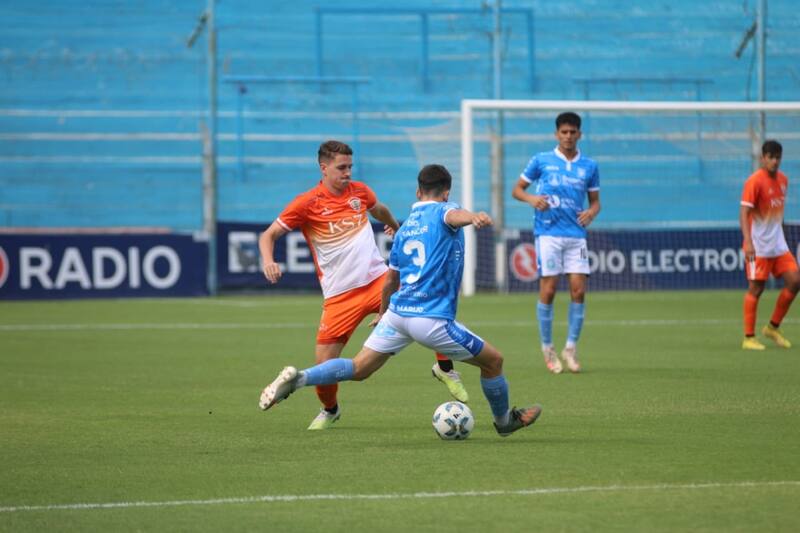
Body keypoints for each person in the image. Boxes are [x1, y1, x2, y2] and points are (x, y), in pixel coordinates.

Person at [259, 164, 543, 436]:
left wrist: (383, 313)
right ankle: (504, 421)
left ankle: (300, 378)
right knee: (493, 362)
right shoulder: (444, 210)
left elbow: (390, 281)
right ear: (446, 193)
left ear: (418, 192)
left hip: (397, 315)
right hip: (430, 320)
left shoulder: (405, 230)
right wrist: (474, 216)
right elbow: (453, 217)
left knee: (359, 368)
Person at [258, 141, 468, 430]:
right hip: (339, 297)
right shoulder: (306, 203)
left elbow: (379, 210)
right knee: (324, 366)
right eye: (341, 168)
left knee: (426, 303)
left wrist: (398, 228)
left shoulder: (359, 192)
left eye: (350, 167)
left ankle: (445, 369)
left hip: (377, 282)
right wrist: (269, 260)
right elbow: (268, 235)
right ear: (323, 168)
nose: (347, 173)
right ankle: (330, 410)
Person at [511, 112, 600, 374]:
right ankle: (547, 347)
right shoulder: (541, 160)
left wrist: (591, 212)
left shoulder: (589, 166)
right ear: (556, 134)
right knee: (549, 290)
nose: (568, 136)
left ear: (579, 134)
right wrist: (532, 199)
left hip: (576, 235)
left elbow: (595, 203)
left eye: (573, 132)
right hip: (548, 233)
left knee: (578, 291)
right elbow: (517, 190)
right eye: (564, 132)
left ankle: (570, 348)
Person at [740, 140, 799, 350]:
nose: (774, 161)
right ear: (763, 158)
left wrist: (782, 236)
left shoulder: (783, 180)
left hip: (778, 246)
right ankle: (749, 337)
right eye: (771, 157)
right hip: (758, 246)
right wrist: (748, 241)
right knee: (756, 288)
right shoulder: (754, 182)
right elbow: (744, 212)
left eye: (777, 157)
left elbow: (777, 212)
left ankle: (773, 327)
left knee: (795, 281)